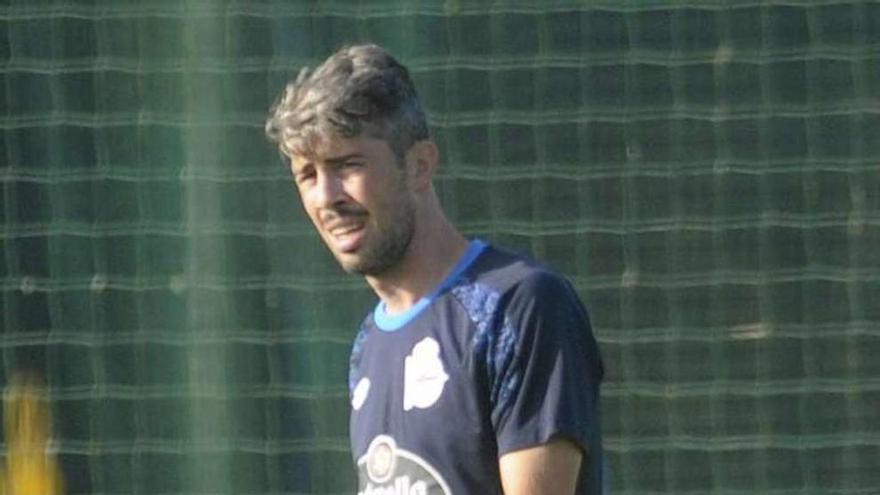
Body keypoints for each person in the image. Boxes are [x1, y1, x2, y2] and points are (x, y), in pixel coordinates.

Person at [266, 44, 605, 495]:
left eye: (347, 165)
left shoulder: (518, 306)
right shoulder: (369, 342)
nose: (326, 196)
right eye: (307, 175)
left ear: (420, 165)